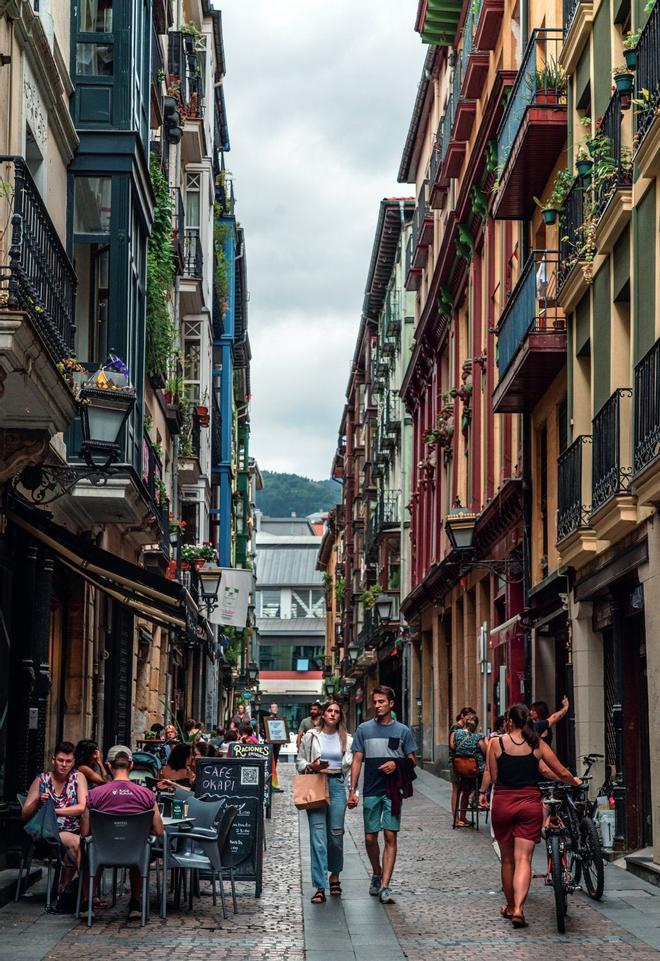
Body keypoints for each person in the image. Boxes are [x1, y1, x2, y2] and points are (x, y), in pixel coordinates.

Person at [484, 703, 581, 928]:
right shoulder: (537, 744)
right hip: (529, 803)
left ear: (509, 721)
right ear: (527, 720)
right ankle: (519, 908)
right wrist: (573, 781)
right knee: (524, 859)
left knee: (507, 860)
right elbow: (560, 771)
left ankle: (510, 907)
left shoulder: (495, 743)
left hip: (503, 802)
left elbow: (494, 775)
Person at [348, 685, 417, 905]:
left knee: (390, 836)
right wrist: (353, 790)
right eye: (375, 702)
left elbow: (412, 760)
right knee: (370, 837)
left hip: (393, 790)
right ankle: (376, 873)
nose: (377, 706)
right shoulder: (364, 730)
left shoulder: (403, 731)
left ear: (391, 704)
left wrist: (396, 764)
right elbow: (357, 760)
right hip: (371, 789)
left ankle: (385, 886)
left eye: (381, 702)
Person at [83, 745, 163, 920]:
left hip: (103, 852)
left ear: (110, 767)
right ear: (131, 766)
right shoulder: (147, 795)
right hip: (134, 854)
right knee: (140, 847)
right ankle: (135, 902)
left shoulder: (94, 794)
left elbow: (84, 831)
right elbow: (158, 830)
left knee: (92, 849)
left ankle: (86, 902)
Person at [297, 699, 353, 904]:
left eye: (336, 711)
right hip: (316, 783)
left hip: (337, 786)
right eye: (329, 711)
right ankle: (320, 886)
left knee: (336, 835)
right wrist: (311, 765)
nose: (332, 714)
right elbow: (299, 761)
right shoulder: (312, 736)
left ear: (340, 716)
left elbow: (351, 768)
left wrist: (353, 791)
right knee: (318, 837)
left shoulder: (347, 739)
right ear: (323, 714)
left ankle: (335, 875)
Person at [22, 741, 88, 897]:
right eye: (60, 760)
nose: (64, 765)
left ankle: (66, 887)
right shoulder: (42, 780)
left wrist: (55, 810)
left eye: (68, 761)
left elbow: (82, 807)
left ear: (73, 762)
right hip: (49, 830)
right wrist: (38, 800)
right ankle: (88, 896)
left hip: (76, 828)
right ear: (53, 760)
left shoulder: (78, 777)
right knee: (78, 844)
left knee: (82, 843)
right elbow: (24, 814)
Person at [451, 714, 487, 826]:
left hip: (459, 769)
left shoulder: (456, 733)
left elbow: (452, 746)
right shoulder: (477, 737)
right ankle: (479, 795)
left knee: (457, 790)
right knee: (486, 773)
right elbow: (485, 751)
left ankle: (457, 818)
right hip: (474, 771)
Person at [263, 702, 285, 792]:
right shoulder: (266, 719)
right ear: (269, 709)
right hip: (270, 744)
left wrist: (284, 738)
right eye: (272, 707)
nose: (274, 709)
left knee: (274, 763)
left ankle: (272, 784)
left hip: (277, 744)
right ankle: (268, 784)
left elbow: (282, 731)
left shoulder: (280, 719)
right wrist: (265, 736)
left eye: (276, 707)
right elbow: (262, 731)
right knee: (270, 763)